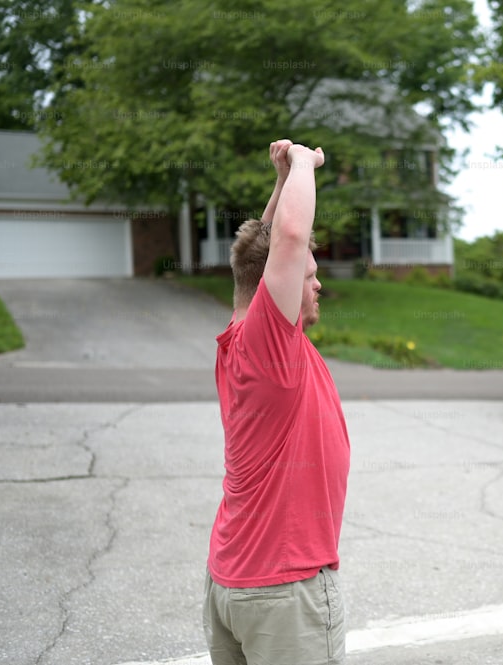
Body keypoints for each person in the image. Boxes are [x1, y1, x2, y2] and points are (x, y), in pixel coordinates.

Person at [203, 139, 351, 665]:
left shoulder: (239, 336)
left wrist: (282, 178)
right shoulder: (272, 347)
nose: (317, 287)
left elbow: (264, 252)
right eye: (311, 277)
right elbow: (288, 237)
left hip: (233, 581)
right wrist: (307, 164)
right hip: (281, 592)